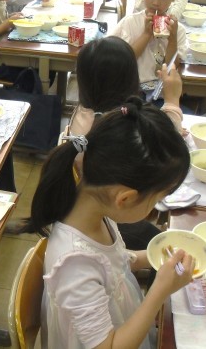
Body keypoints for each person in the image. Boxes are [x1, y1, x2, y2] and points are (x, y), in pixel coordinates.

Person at [20, 97, 193, 349]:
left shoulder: (94, 211)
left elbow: (113, 264)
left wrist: (151, 257)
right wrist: (160, 291)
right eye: (156, 200)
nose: (156, 207)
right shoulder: (73, 263)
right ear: (125, 199)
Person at [62, 36, 184, 252]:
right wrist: (172, 100)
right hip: (114, 213)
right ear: (131, 78)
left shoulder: (84, 113)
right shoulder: (116, 127)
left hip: (93, 205)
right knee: (166, 246)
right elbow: (164, 147)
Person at [111, 0, 187, 86]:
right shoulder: (130, 23)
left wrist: (172, 39)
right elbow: (123, 60)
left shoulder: (178, 30)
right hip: (131, 89)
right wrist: (146, 34)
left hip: (160, 91)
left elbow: (171, 67)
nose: (156, 2)